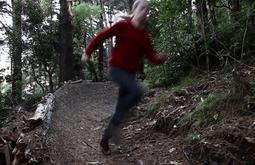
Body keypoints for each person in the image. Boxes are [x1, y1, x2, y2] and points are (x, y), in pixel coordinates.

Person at [81, 0, 166, 155]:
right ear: (134, 10)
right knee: (137, 92)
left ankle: (105, 139)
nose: (145, 12)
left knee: (121, 111)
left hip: (130, 74)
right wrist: (88, 51)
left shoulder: (144, 36)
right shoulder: (123, 26)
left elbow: (151, 57)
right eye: (142, 8)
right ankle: (114, 124)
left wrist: (160, 59)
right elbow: (102, 35)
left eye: (147, 10)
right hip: (117, 69)